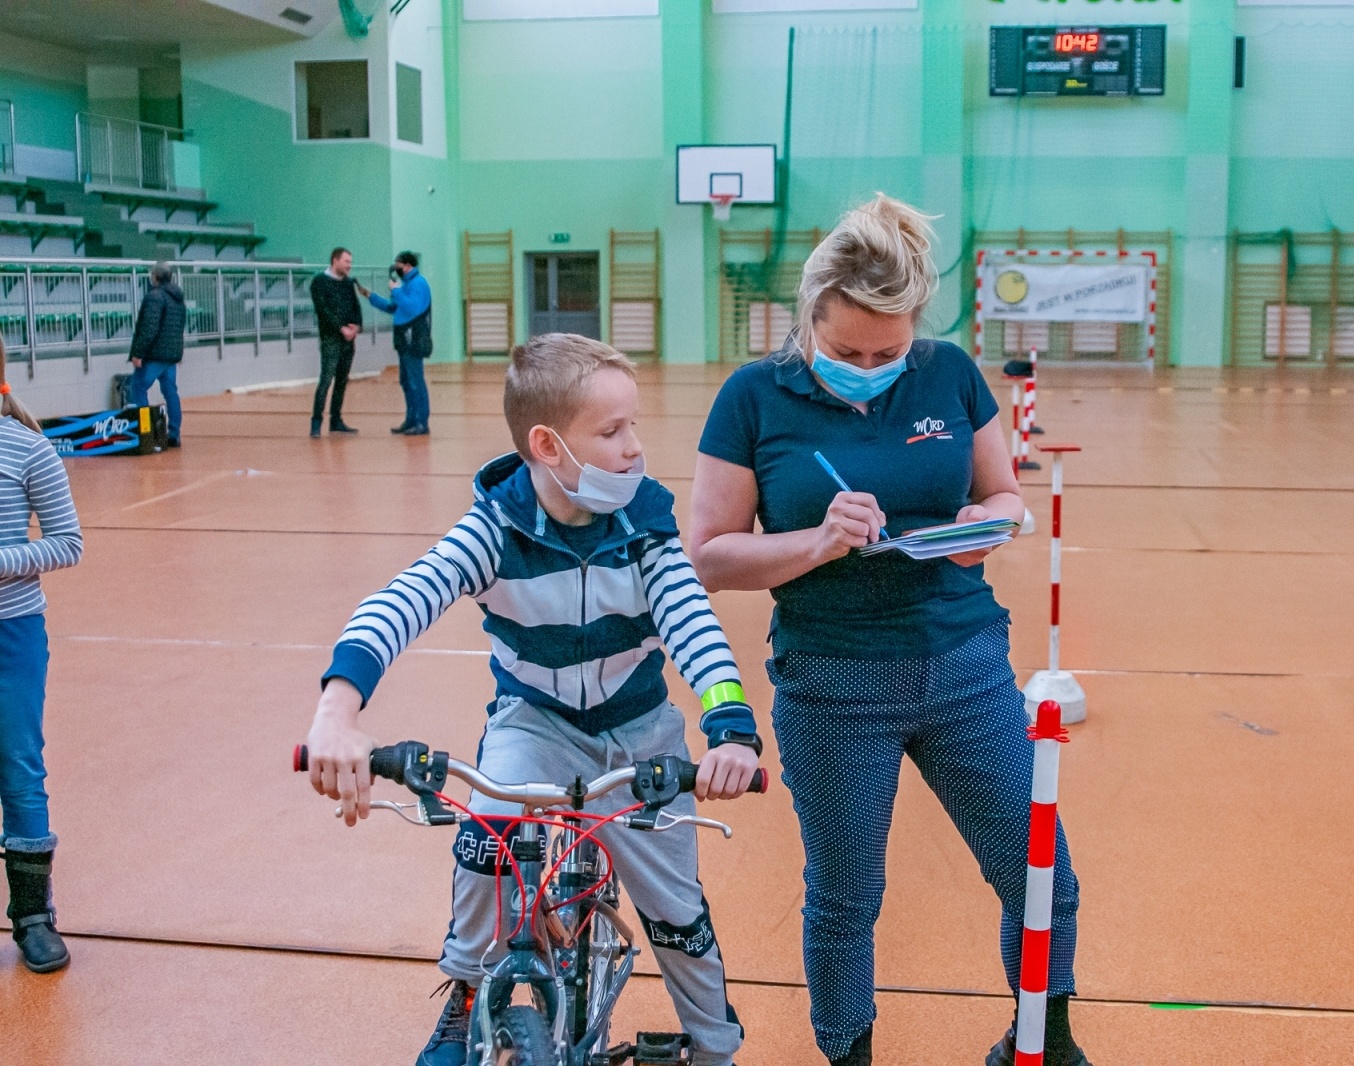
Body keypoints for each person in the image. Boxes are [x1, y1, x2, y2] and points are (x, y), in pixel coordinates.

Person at [687, 194, 1091, 1066]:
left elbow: (1005, 496)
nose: (870, 366)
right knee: (845, 899)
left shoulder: (948, 374)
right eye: (845, 351)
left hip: (966, 666)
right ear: (811, 316)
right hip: (835, 683)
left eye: (889, 349)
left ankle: (1045, 1040)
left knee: (1042, 874)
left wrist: (986, 527)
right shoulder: (753, 398)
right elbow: (709, 557)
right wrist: (818, 541)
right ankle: (850, 1055)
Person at [303, 333, 764, 1066]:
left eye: (634, 426)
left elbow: (693, 626)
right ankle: (463, 993)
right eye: (613, 432)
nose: (635, 448)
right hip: (535, 723)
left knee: (676, 911)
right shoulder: (496, 529)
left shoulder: (645, 527)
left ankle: (714, 1044)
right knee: (488, 831)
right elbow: (397, 605)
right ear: (548, 445)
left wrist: (731, 726)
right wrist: (338, 712)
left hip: (640, 731)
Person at [0, 338, 84, 975]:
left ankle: (32, 917)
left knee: (19, 766)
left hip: (13, 635)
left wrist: (3, 564)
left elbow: (67, 544)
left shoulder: (28, 448)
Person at [357, 250, 433, 436]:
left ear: (407, 265)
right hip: (403, 339)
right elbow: (393, 307)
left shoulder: (418, 283)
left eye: (398, 264)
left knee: (416, 381)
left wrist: (396, 291)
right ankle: (410, 420)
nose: (395, 267)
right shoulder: (405, 284)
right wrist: (371, 296)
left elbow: (412, 307)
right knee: (406, 381)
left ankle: (421, 423)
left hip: (414, 338)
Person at [126, 262, 186, 448]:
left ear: (156, 277)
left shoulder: (154, 297)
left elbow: (149, 328)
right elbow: (179, 327)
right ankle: (174, 434)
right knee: (170, 393)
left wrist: (137, 353)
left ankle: (146, 432)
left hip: (154, 356)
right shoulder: (178, 298)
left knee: (137, 389)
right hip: (170, 356)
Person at [309, 247, 363, 438]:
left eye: (350, 261)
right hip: (331, 339)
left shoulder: (348, 283)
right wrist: (341, 328)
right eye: (346, 261)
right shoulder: (319, 282)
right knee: (326, 380)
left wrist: (356, 327)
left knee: (342, 380)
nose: (350, 265)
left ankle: (336, 420)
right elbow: (323, 311)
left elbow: (356, 307)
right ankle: (316, 423)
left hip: (348, 339)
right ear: (335, 260)